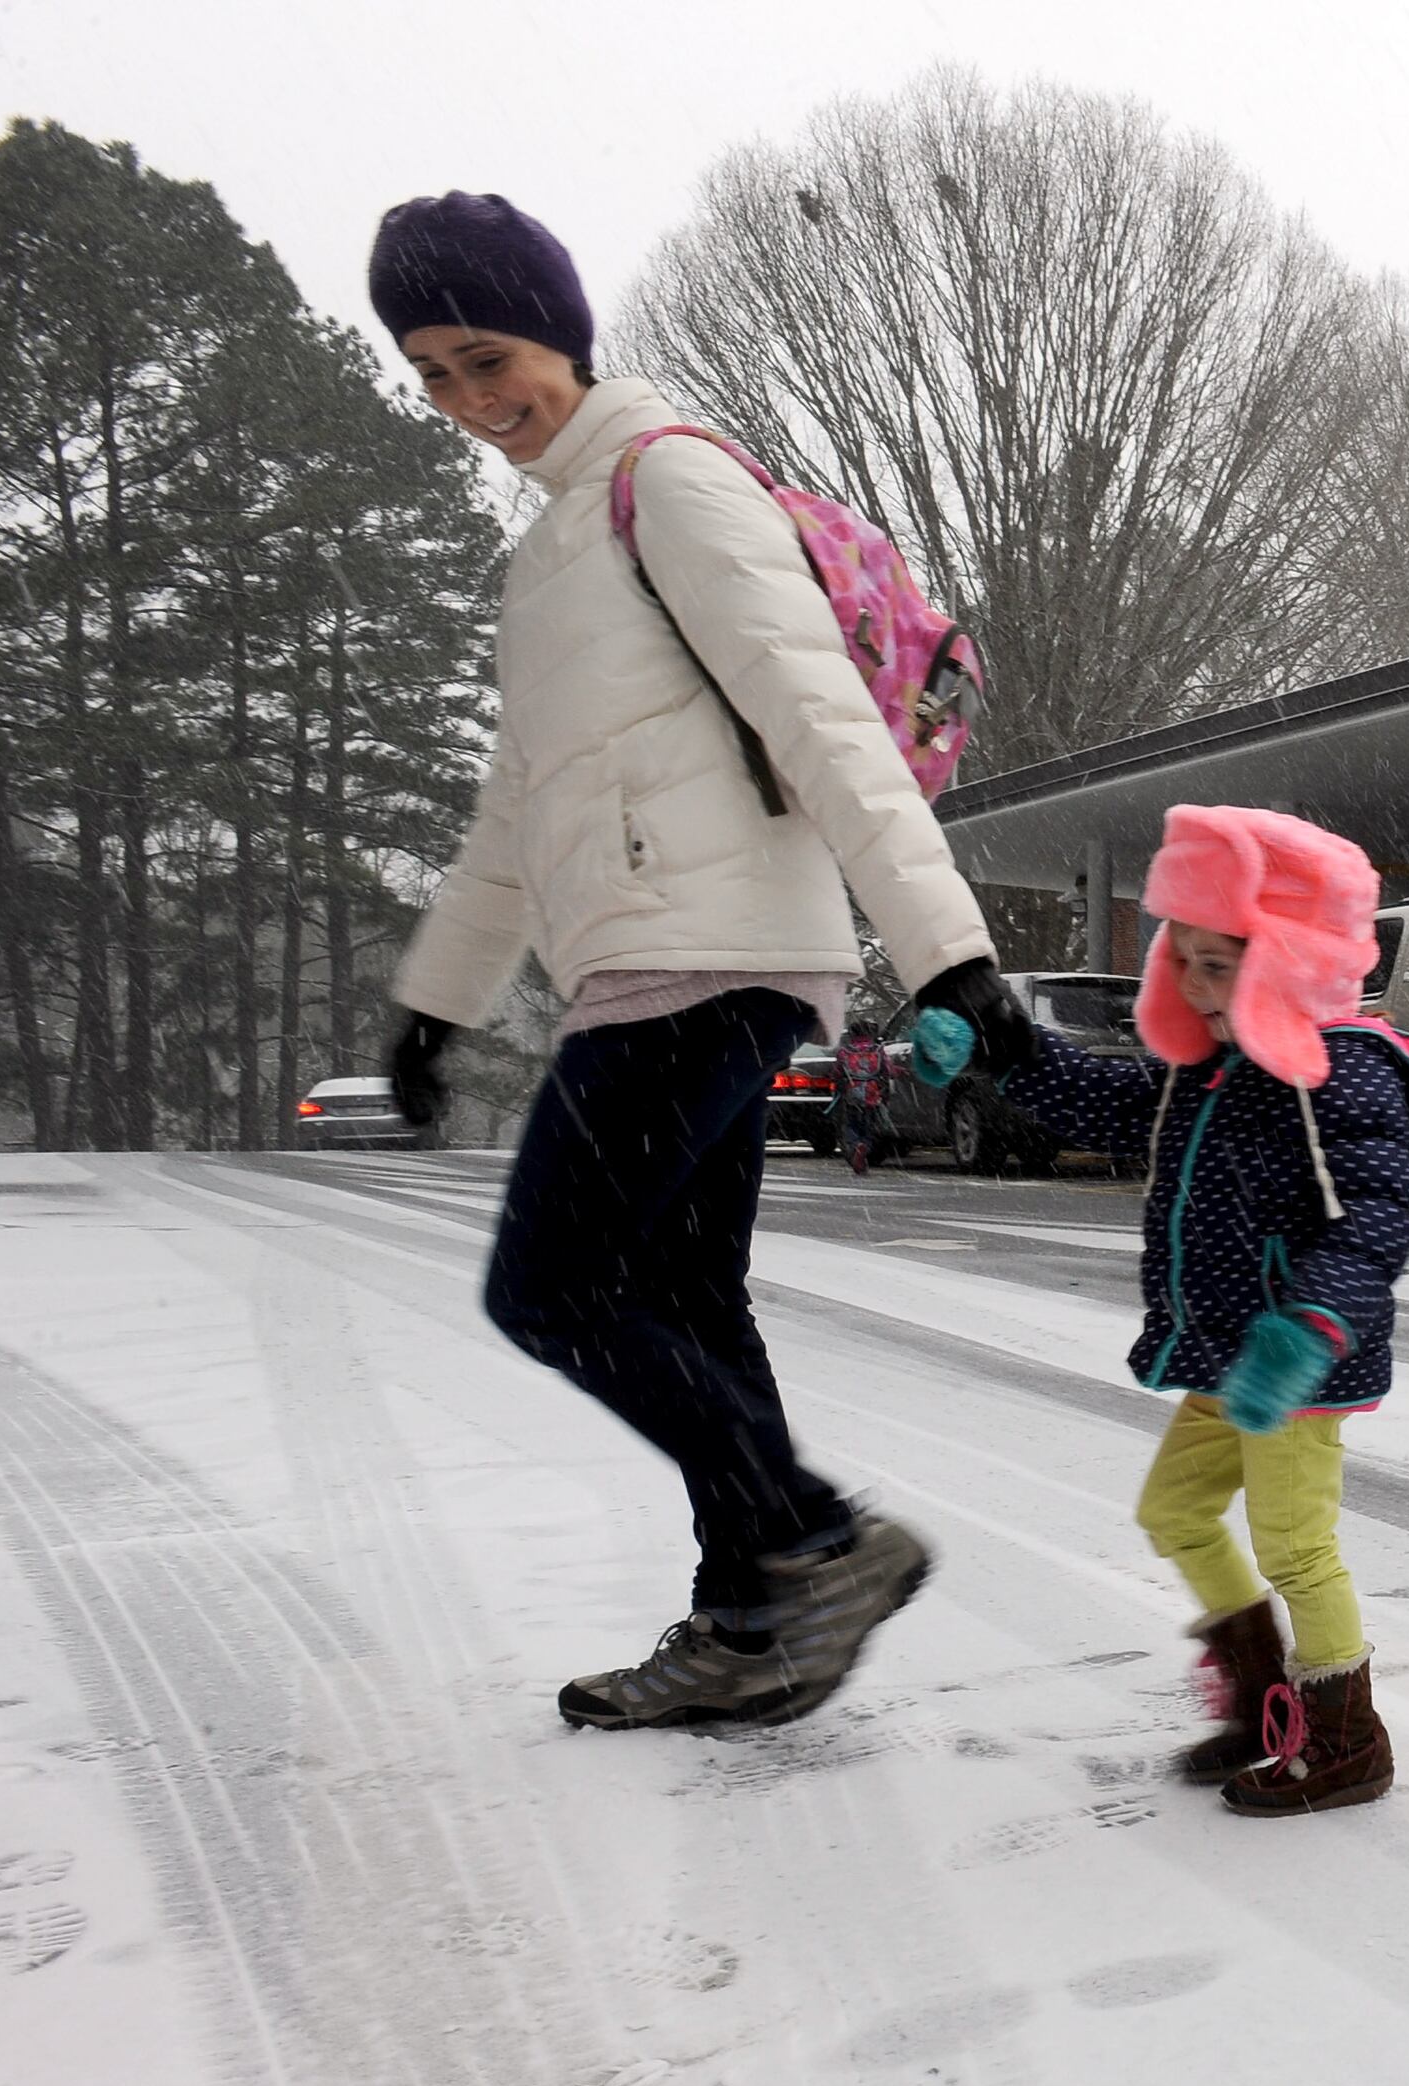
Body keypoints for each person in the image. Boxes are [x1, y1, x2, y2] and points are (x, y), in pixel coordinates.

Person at [365, 191, 1037, 1729]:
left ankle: (811, 1541)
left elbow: (823, 723)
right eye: (432, 376)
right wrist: (431, 1004)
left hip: (712, 952)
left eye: (487, 356)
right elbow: (513, 818)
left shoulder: (669, 483)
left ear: (561, 332)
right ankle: (754, 1624)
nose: (473, 403)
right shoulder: (548, 562)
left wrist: (950, 956)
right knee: (684, 1297)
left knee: (553, 1285)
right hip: (656, 958)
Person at [928, 806, 1409, 1811]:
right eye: (1189, 960)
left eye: (1226, 965)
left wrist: (1308, 1328)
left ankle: (1346, 1743)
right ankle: (1266, 1701)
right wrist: (1001, 1043)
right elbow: (1095, 1100)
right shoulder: (1207, 1073)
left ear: (1289, 962)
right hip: (1227, 1355)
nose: (1199, 987)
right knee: (1173, 1510)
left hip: (1298, 1361)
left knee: (1297, 1545)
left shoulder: (1334, 1074)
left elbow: (1374, 1221)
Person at [834, 1016, 890, 1177]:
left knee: (851, 1125)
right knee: (869, 1126)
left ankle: (855, 1146)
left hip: (852, 1093)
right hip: (872, 1094)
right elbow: (886, 1070)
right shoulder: (878, 1050)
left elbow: (837, 1072)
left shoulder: (844, 1052)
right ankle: (864, 1146)